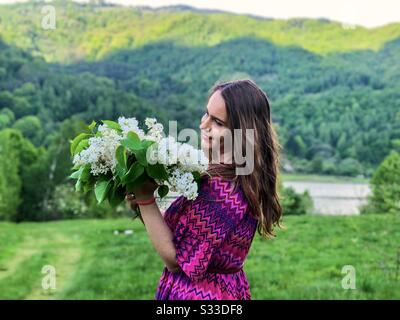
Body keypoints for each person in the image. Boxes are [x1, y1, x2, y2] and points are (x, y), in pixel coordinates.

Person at [126, 79, 283, 300]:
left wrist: (145, 200)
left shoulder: (223, 192)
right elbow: (183, 238)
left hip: (202, 295)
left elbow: (176, 261)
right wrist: (144, 205)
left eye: (218, 122)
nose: (203, 125)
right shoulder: (235, 176)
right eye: (206, 113)